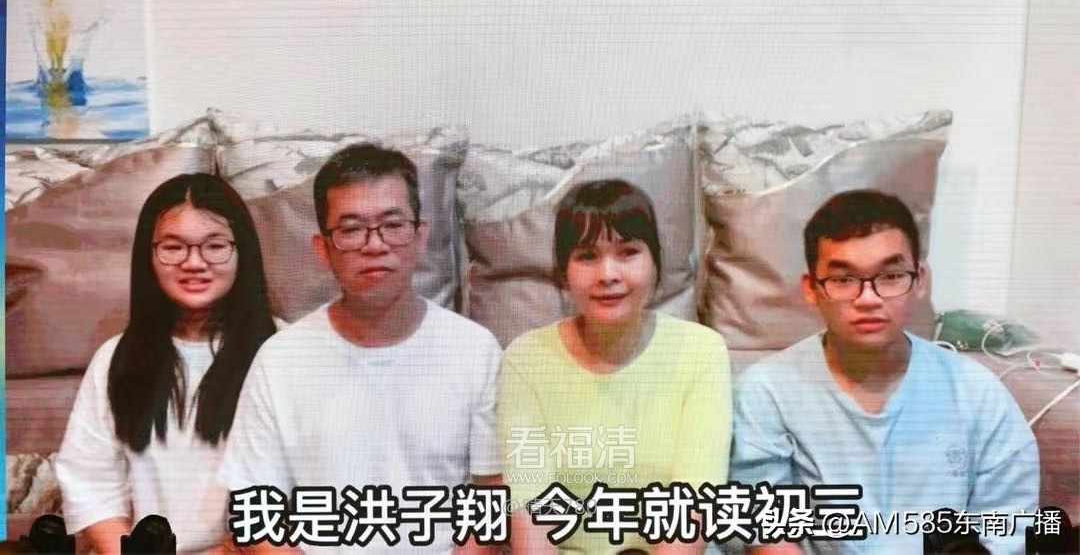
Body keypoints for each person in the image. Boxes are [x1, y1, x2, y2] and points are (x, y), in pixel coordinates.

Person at [219, 143, 503, 553]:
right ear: (323, 249)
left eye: (393, 224)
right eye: (351, 229)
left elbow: (491, 498)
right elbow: (255, 514)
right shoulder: (280, 361)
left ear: (420, 236)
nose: (374, 245)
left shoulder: (475, 351)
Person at [729, 190, 1039, 554]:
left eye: (891, 276)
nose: (868, 299)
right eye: (843, 279)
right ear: (811, 289)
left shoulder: (977, 394)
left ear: (920, 279)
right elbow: (767, 533)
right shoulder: (767, 391)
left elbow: (1008, 529)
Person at [499, 180, 733, 554]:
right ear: (563, 272)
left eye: (628, 252)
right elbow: (531, 513)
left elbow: (691, 510)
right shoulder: (526, 360)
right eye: (587, 256)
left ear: (655, 263)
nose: (608, 274)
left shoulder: (701, 352)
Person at [56, 173, 278, 554]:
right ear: (149, 256)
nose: (194, 263)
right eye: (173, 247)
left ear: (243, 252)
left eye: (215, 246)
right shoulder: (115, 358)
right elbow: (91, 487)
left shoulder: (282, 353)